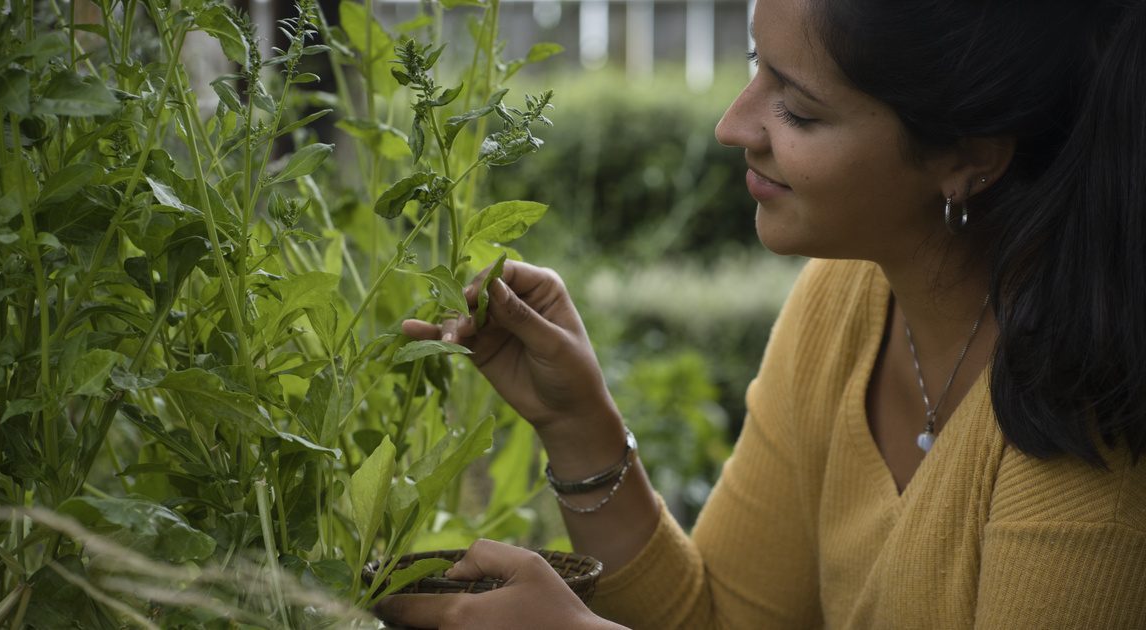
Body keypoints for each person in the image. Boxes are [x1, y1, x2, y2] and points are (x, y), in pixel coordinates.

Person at [377, 0, 1146, 627]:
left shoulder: (1093, 404)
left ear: (969, 157)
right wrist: (578, 422)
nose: (734, 126)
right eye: (756, 67)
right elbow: (721, 619)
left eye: (799, 111)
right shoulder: (844, 303)